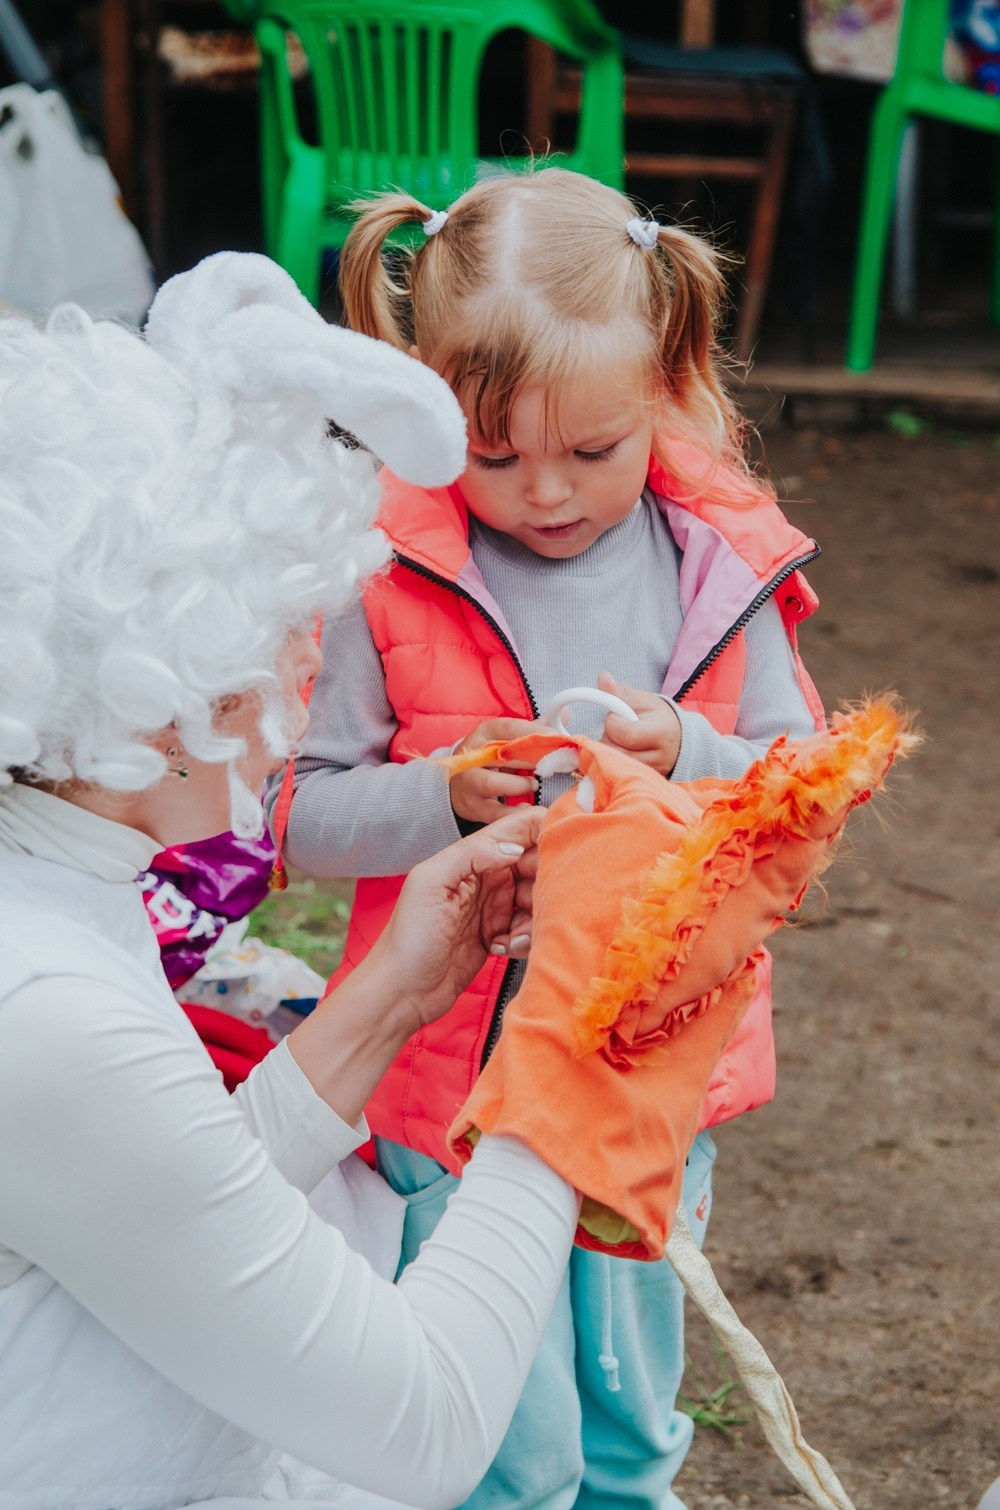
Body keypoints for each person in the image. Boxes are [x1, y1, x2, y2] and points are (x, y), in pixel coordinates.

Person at [273, 166, 826, 1510]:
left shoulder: (720, 571)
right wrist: (443, 793)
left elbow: (801, 794)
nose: (544, 491)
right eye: (492, 453)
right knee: (497, 1433)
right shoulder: (382, 575)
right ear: (427, 405)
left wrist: (687, 750)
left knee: (630, 1406)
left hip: (646, 1067)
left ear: (664, 385)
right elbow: (296, 816)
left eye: (592, 451)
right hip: (449, 1085)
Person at [0, 251, 589, 1510]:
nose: (309, 678)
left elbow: (172, 1202)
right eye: (280, 637)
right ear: (155, 696)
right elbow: (430, 1426)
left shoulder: (54, 886)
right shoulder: (42, 1010)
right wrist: (572, 1048)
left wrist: (393, 994)